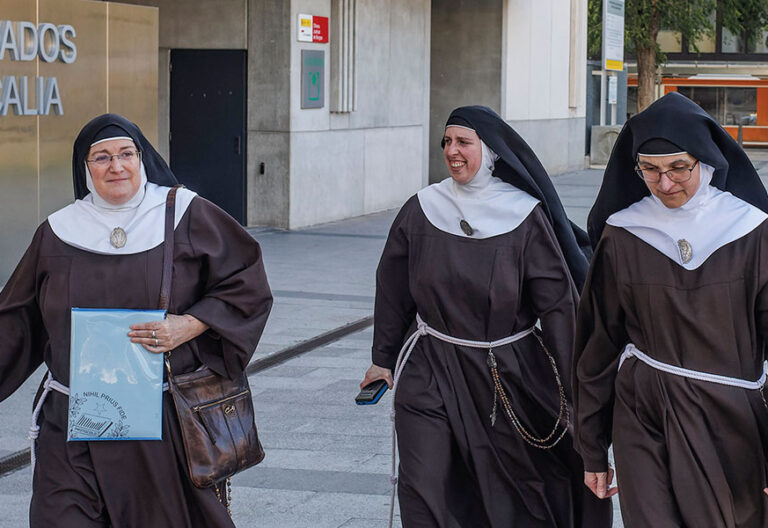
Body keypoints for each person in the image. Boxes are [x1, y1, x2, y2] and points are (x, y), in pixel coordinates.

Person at [0, 113, 273, 527]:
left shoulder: (185, 213)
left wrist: (190, 324)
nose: (116, 166)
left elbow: (246, 282)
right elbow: (15, 319)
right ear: (85, 168)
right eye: (102, 157)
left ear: (141, 159)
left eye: (126, 153)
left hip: (158, 422)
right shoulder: (58, 232)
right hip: (72, 421)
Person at [360, 105, 612, 527]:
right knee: (425, 481)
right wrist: (382, 359)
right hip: (430, 365)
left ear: (491, 151)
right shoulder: (422, 208)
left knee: (512, 485)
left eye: (463, 142)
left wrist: (576, 390)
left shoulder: (524, 216)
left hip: (505, 372)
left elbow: (557, 307)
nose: (452, 152)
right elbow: (392, 290)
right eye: (447, 142)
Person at [574, 91, 768, 526]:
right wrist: (591, 447)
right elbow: (598, 345)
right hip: (643, 410)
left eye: (679, 167)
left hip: (730, 418)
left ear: (706, 160)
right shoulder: (625, 233)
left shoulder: (751, 230)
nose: (665, 184)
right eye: (650, 170)